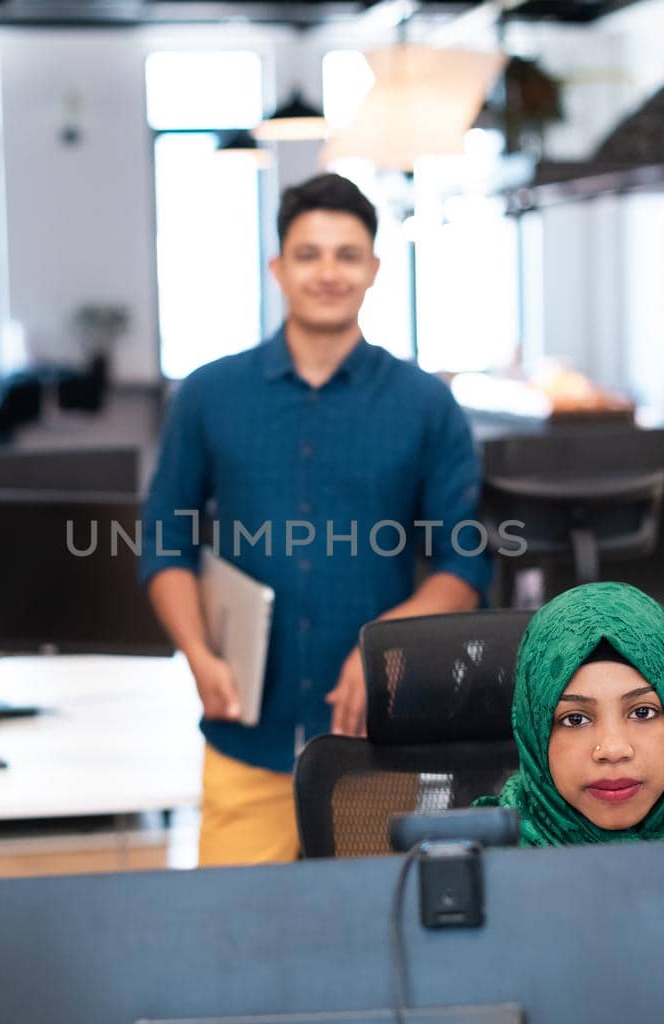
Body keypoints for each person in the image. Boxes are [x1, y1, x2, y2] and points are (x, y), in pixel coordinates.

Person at [141, 173, 491, 867]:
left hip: (379, 746)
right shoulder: (209, 395)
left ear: (373, 270)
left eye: (346, 254)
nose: (328, 272)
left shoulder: (426, 405)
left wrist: (386, 645)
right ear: (278, 267)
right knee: (237, 946)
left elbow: (465, 564)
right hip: (245, 735)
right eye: (308, 254)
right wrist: (197, 652)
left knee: (384, 950)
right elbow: (163, 542)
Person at [480, 581, 664, 1024]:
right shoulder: (474, 879)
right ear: (535, 729)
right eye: (575, 720)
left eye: (643, 711)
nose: (613, 748)